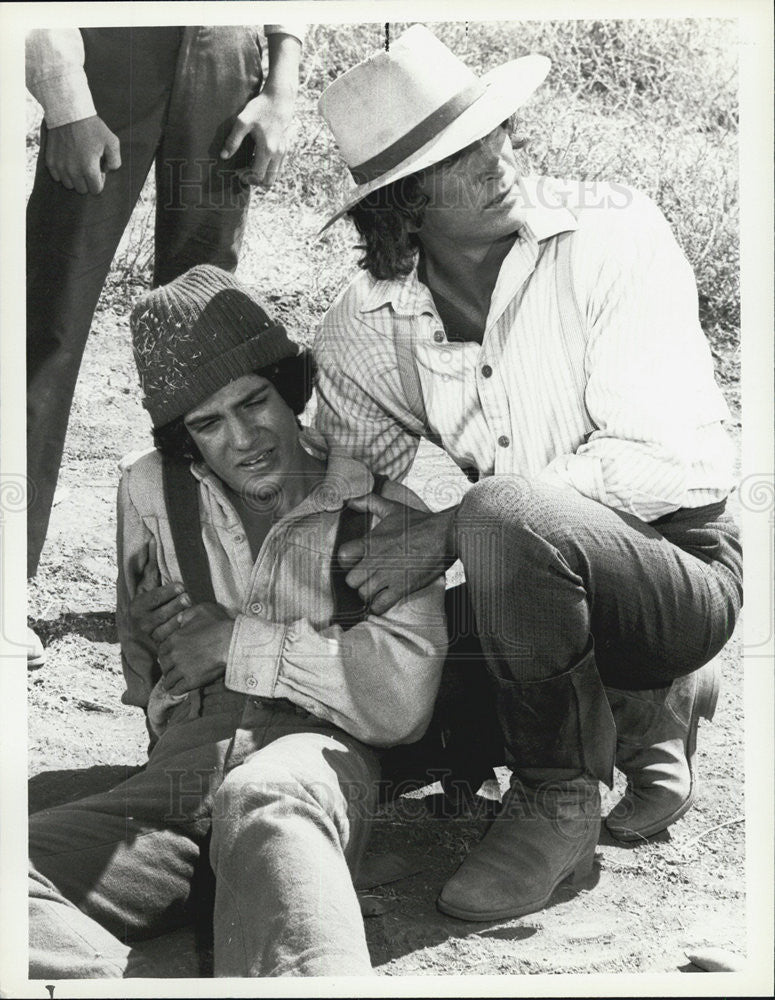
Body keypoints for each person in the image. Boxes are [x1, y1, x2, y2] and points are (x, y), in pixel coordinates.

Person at [312, 24, 743, 921]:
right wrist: (332, 588)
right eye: (457, 152)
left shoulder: (610, 233)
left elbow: (670, 461)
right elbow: (350, 482)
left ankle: (556, 795)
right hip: (524, 593)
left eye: (495, 129)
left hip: (677, 570)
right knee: (385, 720)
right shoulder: (368, 314)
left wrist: (450, 528)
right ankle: (639, 711)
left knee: (503, 513)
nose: (498, 156)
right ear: (399, 205)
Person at [28, 265, 447, 978]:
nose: (244, 438)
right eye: (208, 425)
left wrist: (235, 642)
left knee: (265, 801)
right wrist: (161, 649)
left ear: (289, 393)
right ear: (185, 440)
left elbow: (400, 706)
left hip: (315, 752)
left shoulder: (381, 511)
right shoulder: (150, 490)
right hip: (186, 763)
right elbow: (146, 673)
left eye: (254, 403)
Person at [25, 24, 305, 663]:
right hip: (113, 52)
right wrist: (68, 102)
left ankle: (209, 573)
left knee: (207, 339)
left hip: (228, 58)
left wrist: (280, 85)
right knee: (47, 327)